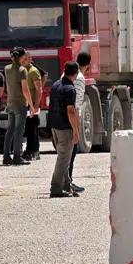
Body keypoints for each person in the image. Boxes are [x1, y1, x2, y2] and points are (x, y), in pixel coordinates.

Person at [47, 61, 82, 198]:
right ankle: (55, 188)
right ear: (77, 73)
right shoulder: (70, 89)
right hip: (64, 128)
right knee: (63, 159)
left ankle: (67, 186)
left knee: (64, 158)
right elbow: (71, 111)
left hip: (54, 127)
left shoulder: (56, 85)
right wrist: (75, 130)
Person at [3, 49, 41, 166]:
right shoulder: (22, 70)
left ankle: (6, 156)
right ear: (21, 57)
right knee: (19, 131)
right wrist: (31, 104)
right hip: (20, 103)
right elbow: (25, 89)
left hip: (10, 103)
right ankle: (17, 156)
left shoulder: (7, 68)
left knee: (9, 131)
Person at [66, 51, 90, 194]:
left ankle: (67, 180)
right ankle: (68, 181)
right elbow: (76, 104)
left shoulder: (71, 76)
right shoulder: (80, 79)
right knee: (71, 151)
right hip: (73, 116)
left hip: (68, 116)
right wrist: (77, 126)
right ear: (88, 65)